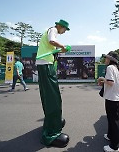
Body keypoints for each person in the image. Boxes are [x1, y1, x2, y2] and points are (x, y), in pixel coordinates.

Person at [36, 19, 70, 147]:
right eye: (65, 30)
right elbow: (52, 41)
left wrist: (60, 50)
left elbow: (52, 49)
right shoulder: (53, 30)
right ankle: (51, 133)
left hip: (46, 65)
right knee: (53, 98)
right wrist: (63, 46)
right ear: (60, 26)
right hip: (45, 65)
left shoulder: (51, 31)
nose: (64, 32)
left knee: (51, 97)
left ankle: (52, 122)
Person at [98, 51, 119, 152]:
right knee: (111, 119)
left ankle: (114, 146)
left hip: (112, 98)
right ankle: (110, 135)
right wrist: (104, 81)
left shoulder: (110, 68)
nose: (105, 59)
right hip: (114, 97)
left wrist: (102, 79)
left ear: (111, 59)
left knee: (113, 121)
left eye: (107, 58)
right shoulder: (116, 68)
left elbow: (111, 82)